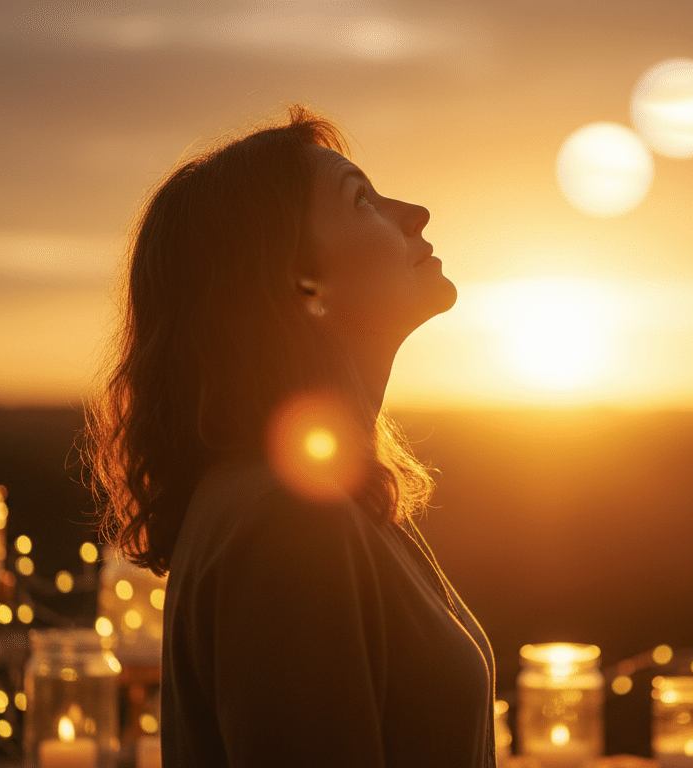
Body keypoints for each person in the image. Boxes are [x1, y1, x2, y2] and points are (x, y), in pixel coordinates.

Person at [87, 106, 495, 767]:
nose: (414, 213)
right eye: (361, 200)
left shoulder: (333, 497)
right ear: (298, 286)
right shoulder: (289, 519)